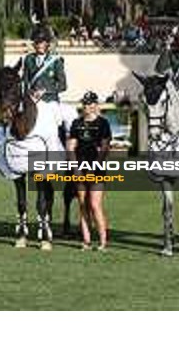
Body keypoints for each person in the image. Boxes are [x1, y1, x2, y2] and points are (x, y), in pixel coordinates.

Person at [67, 91, 112, 251]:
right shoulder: (76, 123)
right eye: (85, 103)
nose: (87, 106)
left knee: (94, 204)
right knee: (82, 204)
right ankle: (86, 241)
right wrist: (75, 168)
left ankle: (102, 242)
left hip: (96, 169)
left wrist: (95, 167)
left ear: (95, 105)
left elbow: (105, 148)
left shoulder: (103, 123)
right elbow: (71, 147)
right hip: (80, 168)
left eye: (90, 103)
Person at [22, 23, 66, 124]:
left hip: (50, 100)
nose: (39, 45)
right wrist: (30, 94)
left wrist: (45, 91)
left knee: (58, 121)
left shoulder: (55, 60)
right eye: (37, 42)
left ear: (47, 44)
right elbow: (25, 82)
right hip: (33, 100)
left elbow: (63, 85)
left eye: (42, 42)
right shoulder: (29, 59)